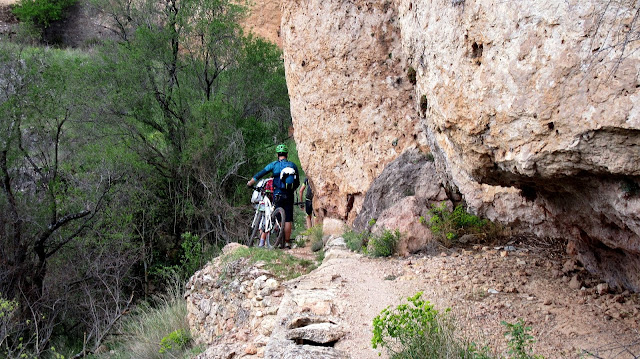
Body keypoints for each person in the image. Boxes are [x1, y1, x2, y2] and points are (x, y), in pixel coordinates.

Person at [247, 144, 299, 248]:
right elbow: (297, 182)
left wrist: (250, 183)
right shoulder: (292, 165)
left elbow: (260, 174)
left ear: (277, 154)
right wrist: (292, 190)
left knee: (276, 216)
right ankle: (287, 242)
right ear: (287, 154)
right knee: (288, 219)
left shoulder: (274, 165)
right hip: (289, 194)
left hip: (277, 193)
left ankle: (276, 240)